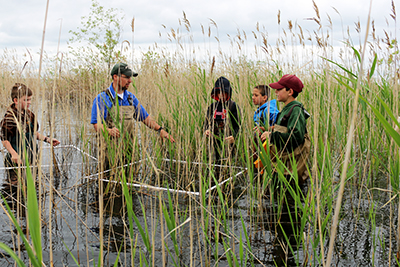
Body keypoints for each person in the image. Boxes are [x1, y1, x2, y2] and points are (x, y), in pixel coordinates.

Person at [90, 63, 175, 173]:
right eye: (127, 77)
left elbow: (145, 118)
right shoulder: (102, 98)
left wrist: (160, 130)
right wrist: (109, 131)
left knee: (129, 179)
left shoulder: (130, 98)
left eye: (130, 77)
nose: (130, 81)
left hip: (128, 150)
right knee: (109, 182)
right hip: (109, 153)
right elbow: (96, 124)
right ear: (115, 77)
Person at [0, 83, 61, 187]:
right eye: (26, 100)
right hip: (16, 161)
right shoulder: (9, 118)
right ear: (16, 100)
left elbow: (33, 133)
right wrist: (14, 154)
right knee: (15, 190)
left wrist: (47, 139)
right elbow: (4, 139)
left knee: (31, 186)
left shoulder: (29, 114)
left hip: (31, 158)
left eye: (30, 99)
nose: (29, 102)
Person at [255, 74, 310, 183]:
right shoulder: (286, 109)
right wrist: (268, 129)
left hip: (291, 166)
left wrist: (271, 136)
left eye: (279, 89)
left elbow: (296, 137)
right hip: (283, 162)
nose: (276, 92)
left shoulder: (296, 110)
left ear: (290, 92)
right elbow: (284, 128)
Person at [204, 76, 241, 164]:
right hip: (214, 142)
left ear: (228, 93)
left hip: (228, 142)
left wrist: (234, 136)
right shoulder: (212, 107)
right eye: (218, 93)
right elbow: (206, 122)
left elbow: (238, 125)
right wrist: (207, 130)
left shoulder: (233, 106)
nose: (221, 95)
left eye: (223, 93)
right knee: (214, 162)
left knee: (229, 163)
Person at [252, 85, 279, 160]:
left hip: (267, 146)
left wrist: (264, 129)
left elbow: (280, 126)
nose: (253, 97)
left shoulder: (269, 109)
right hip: (259, 144)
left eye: (256, 95)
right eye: (253, 95)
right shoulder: (260, 110)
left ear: (265, 97)